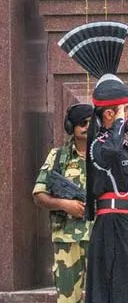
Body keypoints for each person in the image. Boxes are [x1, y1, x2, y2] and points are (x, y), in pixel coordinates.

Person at [58, 21, 128, 302]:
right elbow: (108, 152)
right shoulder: (100, 145)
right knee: (121, 293)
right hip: (113, 227)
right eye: (124, 110)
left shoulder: (126, 143)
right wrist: (119, 124)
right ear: (110, 116)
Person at [32, 104, 94, 303]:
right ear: (71, 127)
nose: (88, 127)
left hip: (99, 236)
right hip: (67, 240)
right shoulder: (58, 157)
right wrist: (65, 204)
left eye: (92, 122)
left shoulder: (103, 155)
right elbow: (39, 194)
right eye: (82, 123)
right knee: (68, 299)